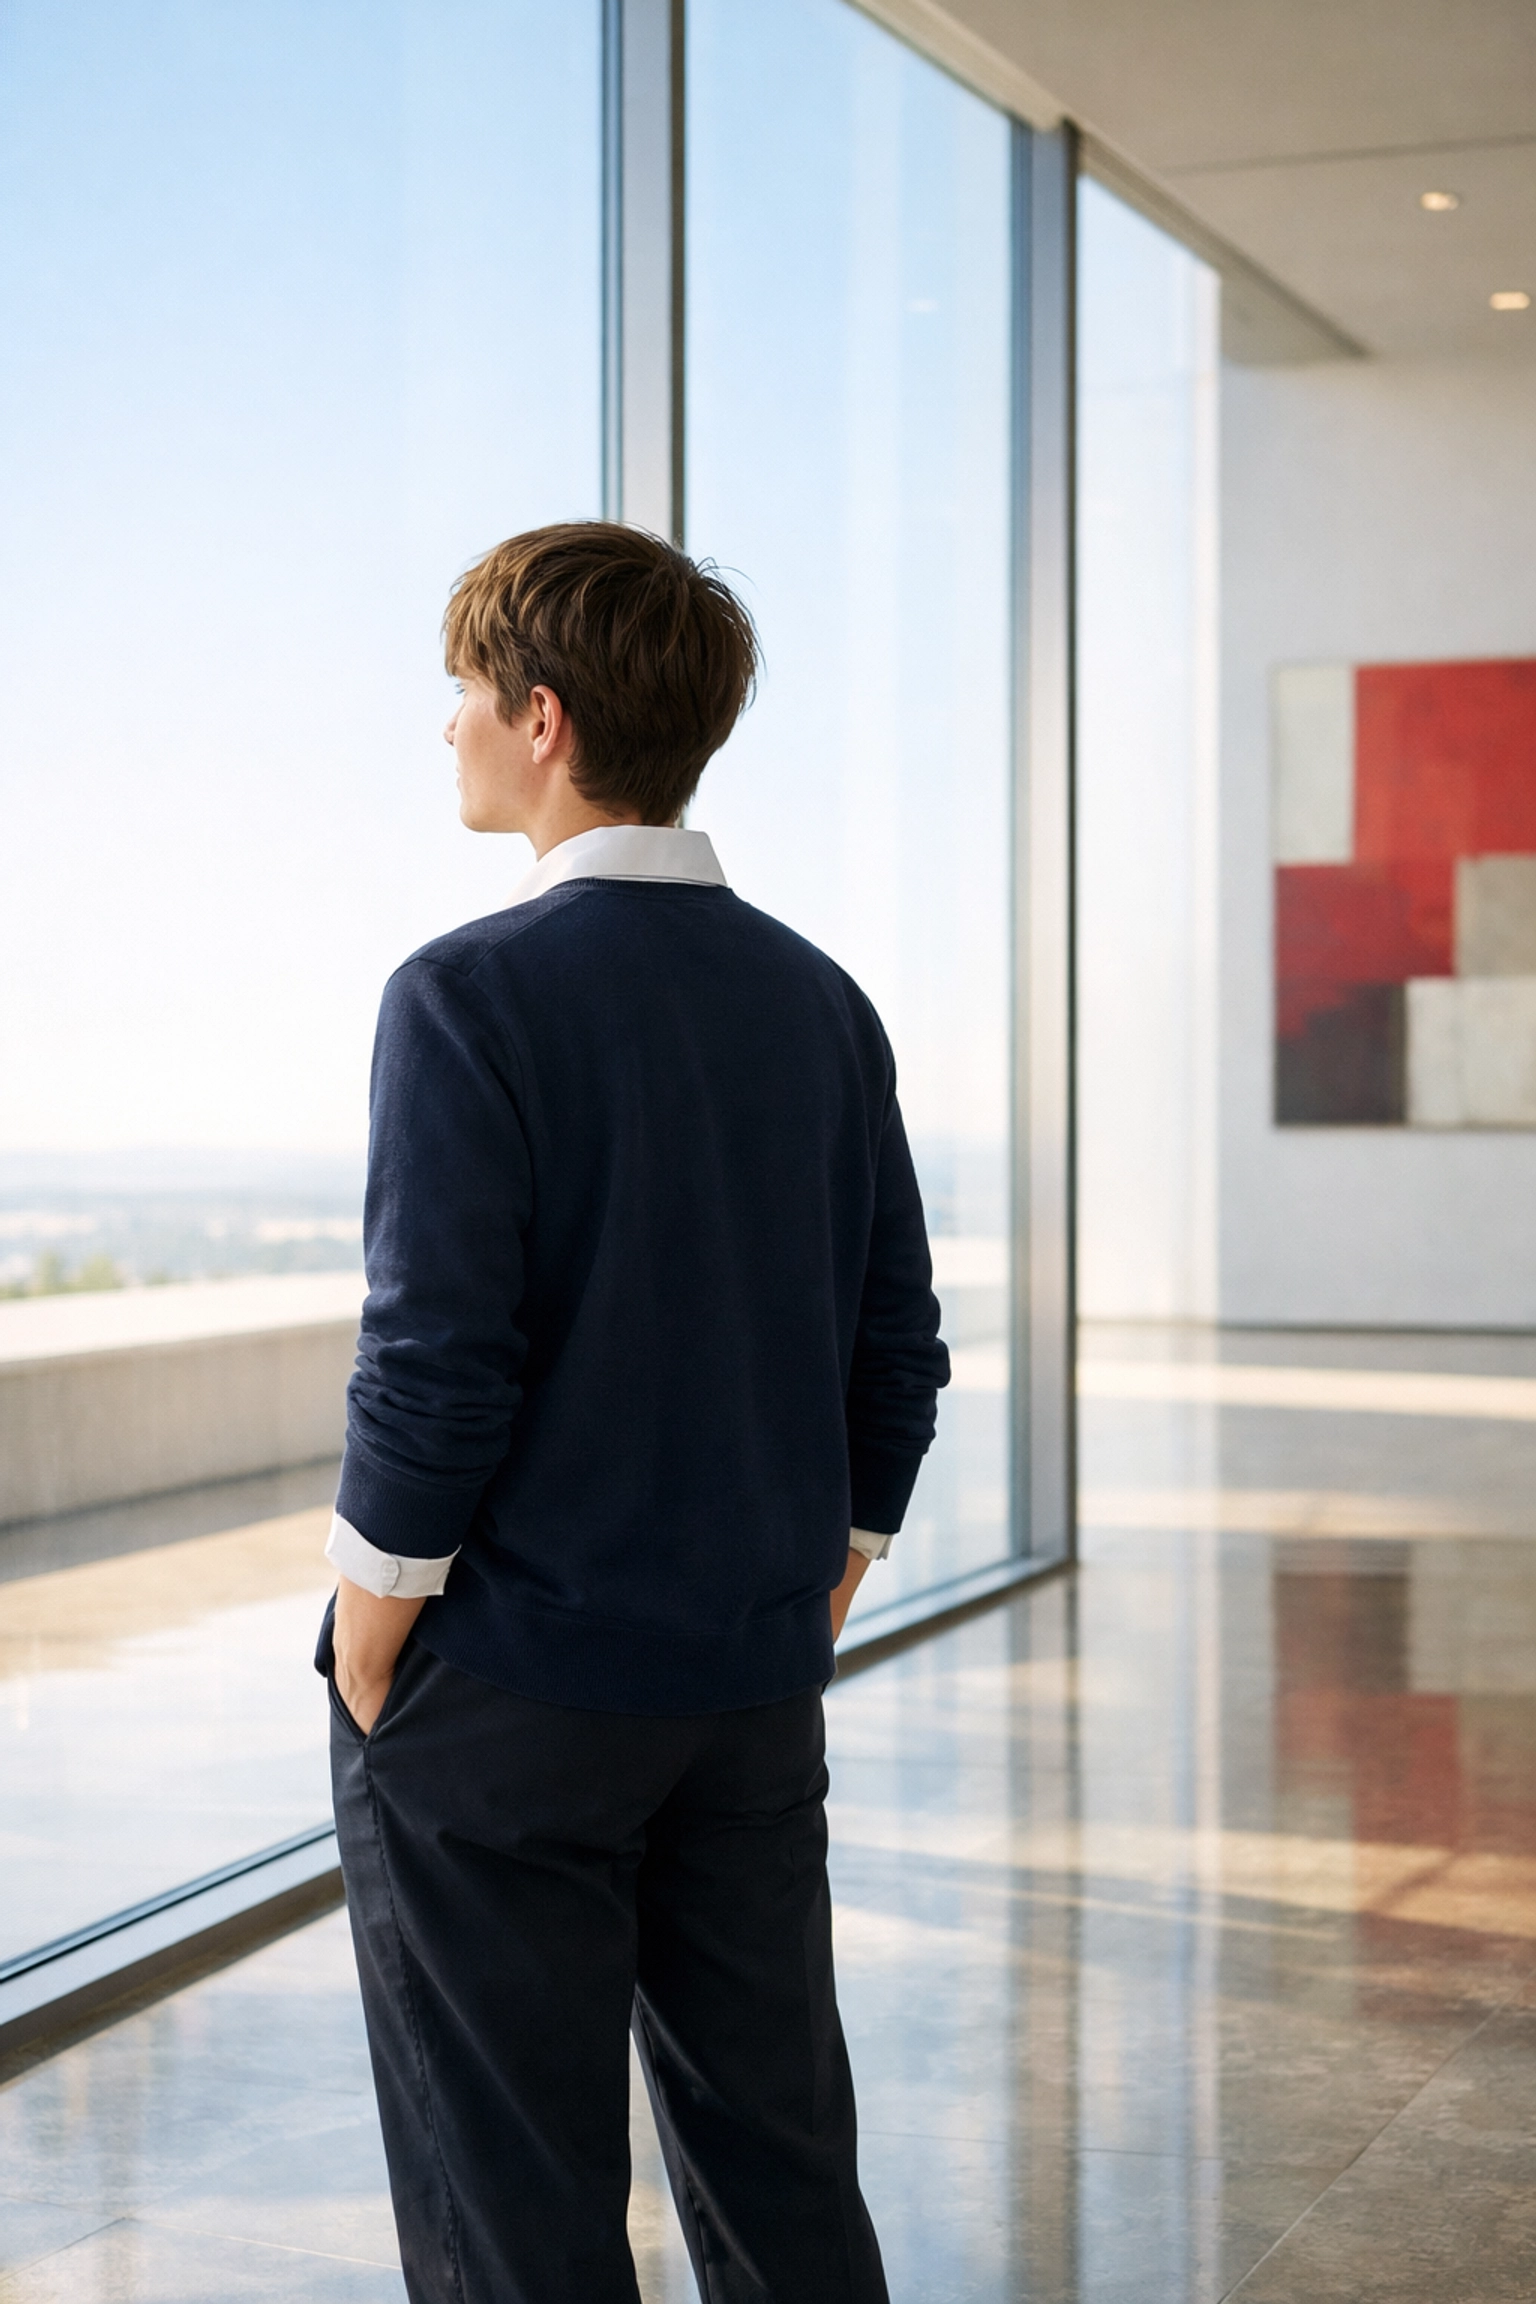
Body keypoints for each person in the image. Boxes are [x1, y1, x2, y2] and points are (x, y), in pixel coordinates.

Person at [316, 521, 949, 2304]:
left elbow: (435, 1360)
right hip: (743, 1683)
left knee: (512, 2193)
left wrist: (371, 1635)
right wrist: (822, 1575)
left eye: (461, 693)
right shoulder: (820, 1004)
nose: (443, 727)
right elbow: (896, 1348)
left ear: (541, 716)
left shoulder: (464, 998)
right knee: (778, 2163)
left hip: (509, 1691)